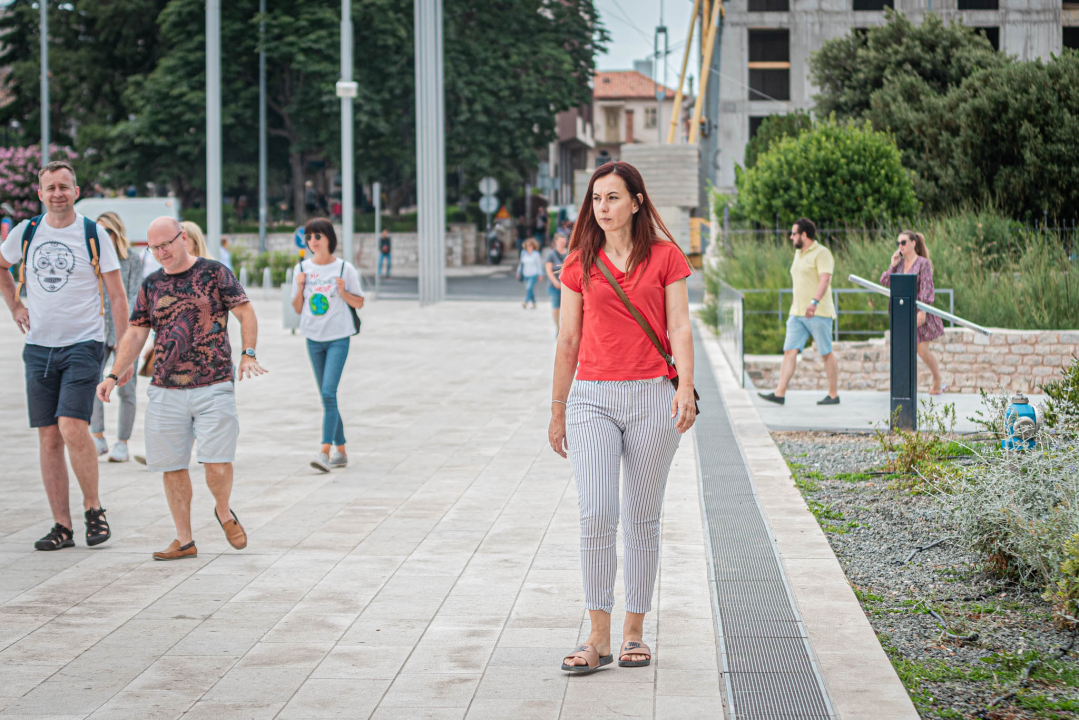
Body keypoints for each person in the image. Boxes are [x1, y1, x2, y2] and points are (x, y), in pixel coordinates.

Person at [550, 161, 696, 674]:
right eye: (596, 199)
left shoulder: (665, 257)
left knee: (641, 516)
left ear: (636, 202)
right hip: (591, 398)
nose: (603, 208)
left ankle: (634, 631)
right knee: (595, 512)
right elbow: (568, 340)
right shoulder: (579, 263)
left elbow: (680, 326)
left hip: (653, 397)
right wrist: (557, 409)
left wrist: (684, 390)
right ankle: (597, 635)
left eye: (613, 198)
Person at [97, 217, 267, 561]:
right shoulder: (151, 285)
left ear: (183, 238)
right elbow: (135, 333)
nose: (161, 252)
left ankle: (223, 511)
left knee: (216, 463)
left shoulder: (215, 273)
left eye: (166, 244)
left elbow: (246, 313)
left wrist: (248, 354)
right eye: (154, 247)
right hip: (164, 388)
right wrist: (114, 374)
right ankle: (184, 539)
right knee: (172, 465)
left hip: (214, 383)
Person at [0, 160, 133, 551]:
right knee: (48, 437)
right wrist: (15, 305)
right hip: (39, 347)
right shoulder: (26, 232)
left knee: (72, 425)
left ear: (75, 192)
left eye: (64, 186)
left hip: (83, 344)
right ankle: (62, 525)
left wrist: (121, 358)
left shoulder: (92, 234)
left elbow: (118, 296)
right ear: (40, 194)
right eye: (50, 187)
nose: (57, 193)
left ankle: (94, 509)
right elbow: (2, 265)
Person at [291, 218, 365, 472]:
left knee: (328, 393)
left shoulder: (345, 269)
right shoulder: (301, 268)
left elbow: (359, 303)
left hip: (338, 338)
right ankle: (341, 450)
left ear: (329, 239)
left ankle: (324, 451)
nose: (313, 241)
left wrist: (344, 293)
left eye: (318, 236)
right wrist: (300, 287)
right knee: (327, 397)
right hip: (313, 339)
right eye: (309, 237)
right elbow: (297, 308)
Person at [758, 218, 840, 406]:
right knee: (789, 351)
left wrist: (814, 302)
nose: (790, 237)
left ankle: (834, 394)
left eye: (794, 233)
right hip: (797, 314)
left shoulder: (822, 253)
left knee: (825, 352)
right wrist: (794, 307)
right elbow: (799, 283)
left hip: (818, 312)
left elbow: (824, 280)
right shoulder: (798, 254)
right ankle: (780, 393)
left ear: (804, 235)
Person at [90, 212, 143, 463]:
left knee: (126, 388)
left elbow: (134, 295)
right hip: (96, 330)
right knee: (91, 382)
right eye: (99, 231)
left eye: (108, 231)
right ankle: (97, 436)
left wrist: (128, 334)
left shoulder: (131, 259)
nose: (103, 236)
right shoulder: (91, 260)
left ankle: (122, 442)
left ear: (117, 233)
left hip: (125, 330)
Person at [880, 230, 946, 394]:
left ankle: (937, 378)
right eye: (898, 243)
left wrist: (922, 311)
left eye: (903, 242)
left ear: (913, 243)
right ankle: (909, 389)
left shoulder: (923, 263)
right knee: (906, 352)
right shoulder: (900, 264)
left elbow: (927, 287)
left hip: (919, 312)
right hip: (902, 314)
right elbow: (885, 282)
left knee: (922, 351)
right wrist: (892, 265)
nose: (900, 246)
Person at [545, 231, 568, 335]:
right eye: (560, 241)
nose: (563, 243)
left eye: (564, 241)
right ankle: (557, 327)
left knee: (567, 309)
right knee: (556, 307)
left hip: (567, 286)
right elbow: (548, 270)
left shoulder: (569, 252)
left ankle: (565, 328)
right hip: (554, 286)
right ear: (556, 242)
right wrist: (555, 281)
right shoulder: (551, 254)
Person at [517, 238, 543, 309]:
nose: (529, 247)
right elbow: (521, 263)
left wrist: (540, 274)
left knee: (529, 288)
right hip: (525, 274)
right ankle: (534, 303)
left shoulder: (536, 254)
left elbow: (539, 264)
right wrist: (518, 272)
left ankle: (526, 302)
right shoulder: (523, 253)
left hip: (533, 274)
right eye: (528, 246)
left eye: (530, 246)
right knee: (529, 289)